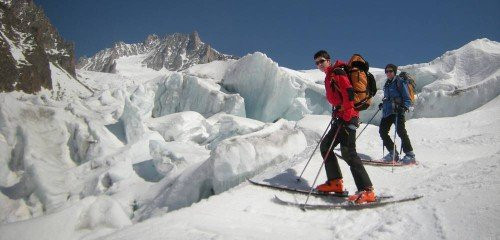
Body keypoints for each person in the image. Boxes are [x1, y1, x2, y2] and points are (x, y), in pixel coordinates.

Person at [313, 50, 375, 204]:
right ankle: (335, 183)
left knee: (349, 152)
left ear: (328, 60)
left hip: (348, 117)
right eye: (317, 63)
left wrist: (346, 115)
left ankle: (367, 191)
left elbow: (349, 95)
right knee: (326, 146)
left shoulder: (338, 72)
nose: (319, 65)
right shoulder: (330, 75)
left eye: (321, 61)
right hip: (341, 117)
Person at [378, 64, 416, 164]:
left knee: (401, 131)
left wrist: (404, 107)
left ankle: (410, 155)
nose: (388, 73)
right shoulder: (387, 84)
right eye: (386, 71)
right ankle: (393, 153)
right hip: (388, 112)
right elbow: (388, 97)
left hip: (398, 111)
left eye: (390, 71)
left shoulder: (399, 82)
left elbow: (407, 97)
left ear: (394, 72)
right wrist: (383, 104)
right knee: (382, 131)